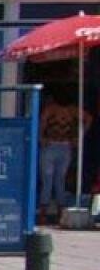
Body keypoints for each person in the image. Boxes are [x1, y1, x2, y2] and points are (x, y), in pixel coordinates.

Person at [39, 90, 89, 222]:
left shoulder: (70, 110)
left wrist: (79, 136)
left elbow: (88, 118)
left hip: (62, 145)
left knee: (55, 180)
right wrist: (41, 138)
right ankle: (47, 212)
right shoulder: (54, 110)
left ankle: (54, 212)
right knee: (52, 180)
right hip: (53, 145)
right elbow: (41, 123)